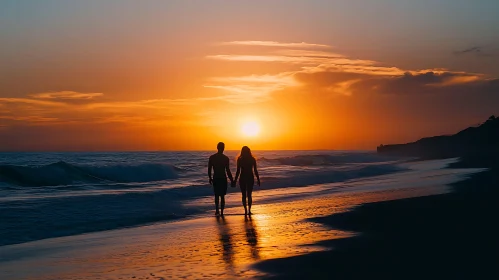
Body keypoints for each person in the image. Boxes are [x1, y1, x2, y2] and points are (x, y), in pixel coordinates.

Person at [208, 142, 234, 216]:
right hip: (223, 178)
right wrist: (232, 180)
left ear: (217, 147)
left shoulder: (212, 157)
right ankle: (222, 212)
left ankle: (217, 210)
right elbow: (228, 170)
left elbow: (209, 169)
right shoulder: (225, 158)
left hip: (216, 178)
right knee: (222, 196)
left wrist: (210, 177)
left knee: (216, 195)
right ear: (223, 148)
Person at [234, 146, 260, 215]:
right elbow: (255, 171)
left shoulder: (240, 159)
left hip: (242, 178)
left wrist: (235, 180)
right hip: (250, 177)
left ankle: (245, 210)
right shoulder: (252, 159)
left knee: (244, 195)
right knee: (249, 194)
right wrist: (258, 179)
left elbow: (238, 171)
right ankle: (249, 210)